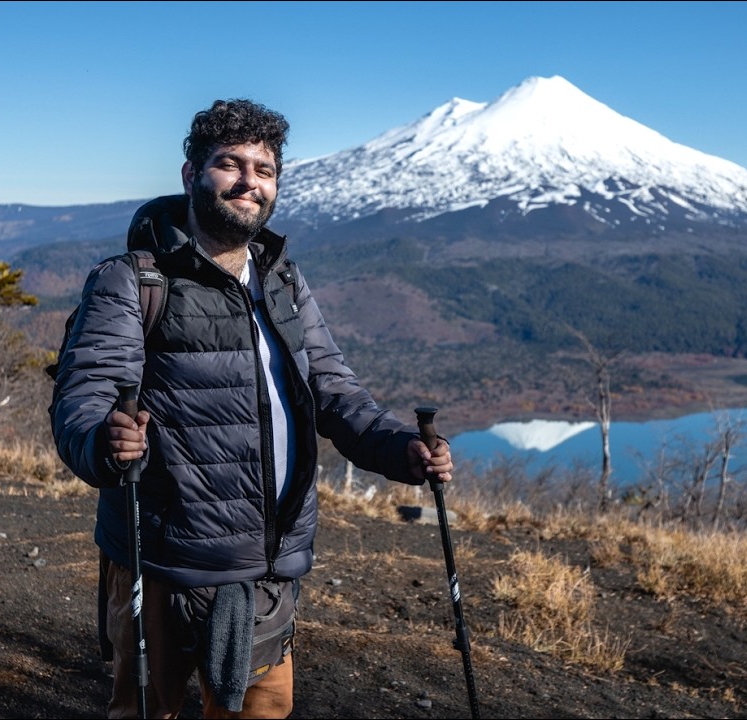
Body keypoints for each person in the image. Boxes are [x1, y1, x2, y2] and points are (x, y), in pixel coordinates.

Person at [49, 98, 453, 719]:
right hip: (163, 558)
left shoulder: (281, 279)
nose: (249, 182)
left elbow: (336, 390)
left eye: (264, 170)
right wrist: (105, 441)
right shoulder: (133, 280)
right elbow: (86, 395)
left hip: (266, 566)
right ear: (191, 175)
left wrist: (401, 449)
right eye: (230, 164)